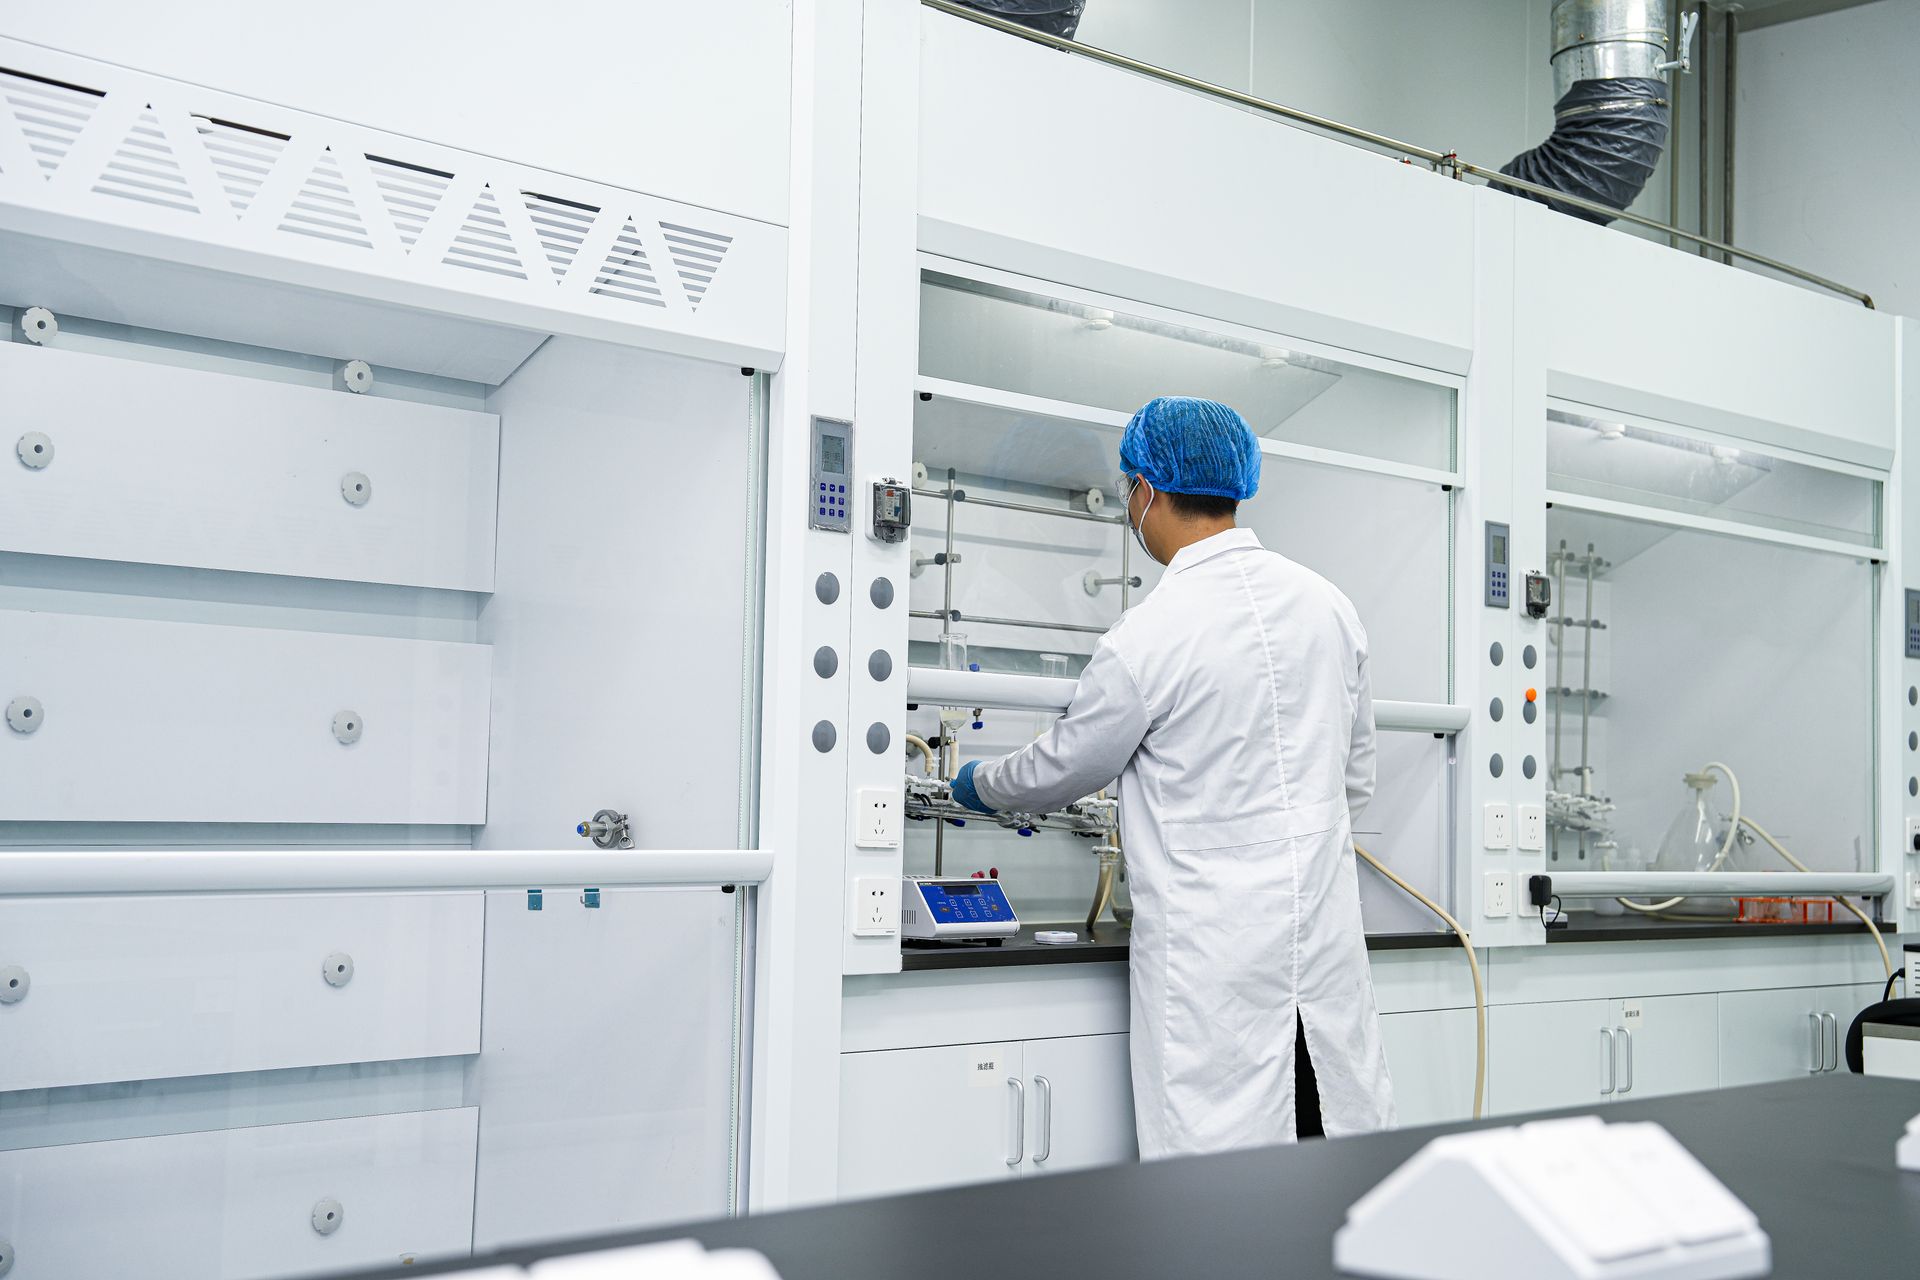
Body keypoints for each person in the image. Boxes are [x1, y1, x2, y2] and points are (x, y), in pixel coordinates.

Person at [950, 396, 1394, 1159]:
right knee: (1325, 1154)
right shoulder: (1329, 608)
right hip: (1318, 946)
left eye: (1128, 491)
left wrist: (976, 785)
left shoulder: (1151, 633)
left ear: (1147, 491)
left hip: (1212, 963)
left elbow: (1065, 766)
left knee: (1221, 1191)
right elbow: (1355, 782)